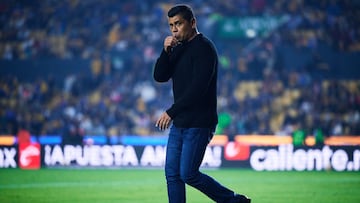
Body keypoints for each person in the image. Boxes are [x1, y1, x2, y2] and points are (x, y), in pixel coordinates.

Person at [153, 4, 251, 203]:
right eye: (171, 25)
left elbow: (198, 89)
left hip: (199, 122)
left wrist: (171, 112)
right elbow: (160, 76)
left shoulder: (204, 48)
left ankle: (234, 201)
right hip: (180, 123)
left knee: (188, 173)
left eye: (178, 24)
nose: (174, 29)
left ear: (192, 23)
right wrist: (165, 52)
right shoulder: (177, 48)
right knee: (172, 174)